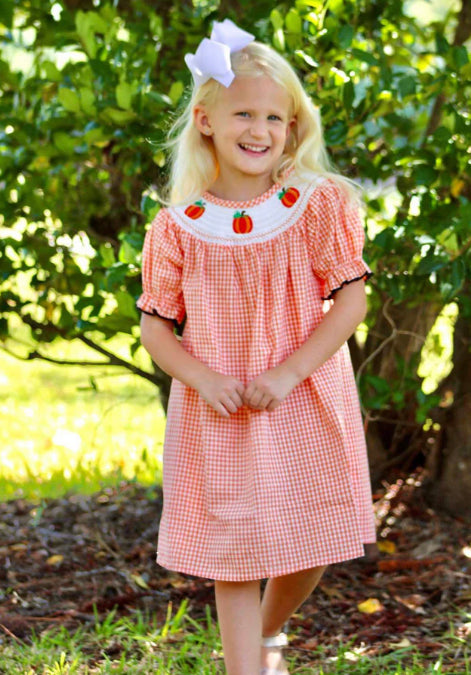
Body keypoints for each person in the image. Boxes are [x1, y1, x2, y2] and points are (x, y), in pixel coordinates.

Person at [137, 18, 376, 675]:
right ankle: (243, 666)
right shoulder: (179, 224)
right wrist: (202, 378)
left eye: (277, 117)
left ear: (292, 127)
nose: (260, 130)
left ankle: (268, 633)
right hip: (222, 409)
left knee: (313, 541)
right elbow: (156, 325)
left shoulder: (315, 203)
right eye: (244, 112)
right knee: (233, 551)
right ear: (206, 120)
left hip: (301, 396)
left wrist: (291, 369)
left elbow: (349, 299)